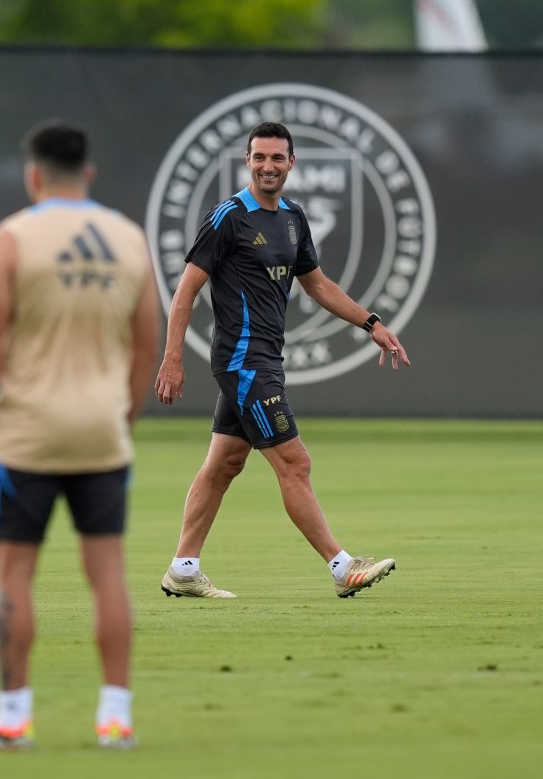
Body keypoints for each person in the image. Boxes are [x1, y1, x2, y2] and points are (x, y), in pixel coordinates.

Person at [0, 120, 159, 751]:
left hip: (29, 432)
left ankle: (13, 718)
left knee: (14, 573)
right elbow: (146, 344)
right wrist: (123, 416)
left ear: (34, 174)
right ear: (89, 174)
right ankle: (116, 719)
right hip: (102, 429)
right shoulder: (130, 239)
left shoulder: (14, 237)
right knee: (108, 575)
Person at [154, 120, 406, 600]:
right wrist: (172, 360)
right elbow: (185, 290)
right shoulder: (228, 216)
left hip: (265, 358)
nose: (267, 166)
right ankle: (342, 567)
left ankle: (183, 570)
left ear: (292, 163)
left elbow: (317, 285)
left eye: (276, 158)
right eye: (258, 157)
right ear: (247, 161)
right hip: (243, 362)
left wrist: (371, 323)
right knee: (295, 462)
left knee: (224, 463)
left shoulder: (293, 216)